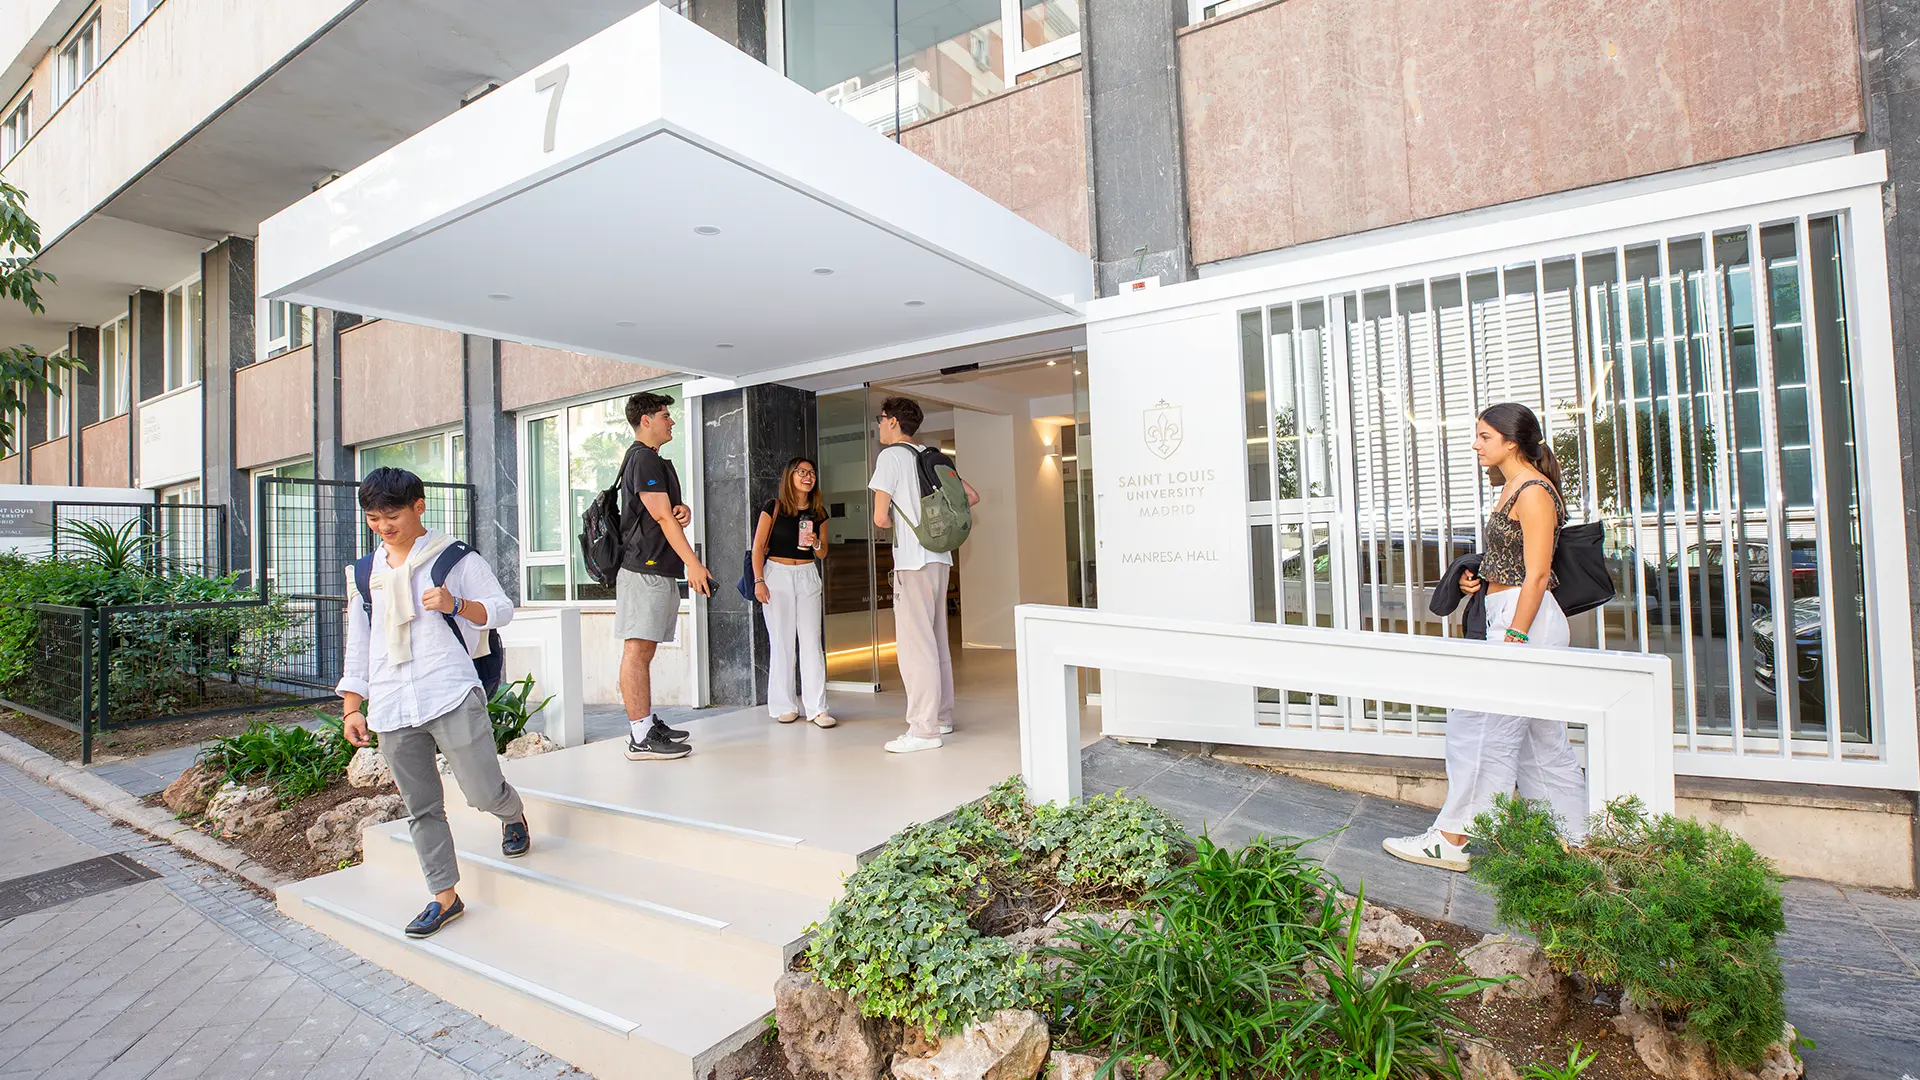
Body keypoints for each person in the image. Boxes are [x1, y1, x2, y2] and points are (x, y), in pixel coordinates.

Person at [1384, 402, 1589, 871]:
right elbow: (1515, 564)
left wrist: (1514, 636)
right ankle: (1573, 840)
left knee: (1477, 729)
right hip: (1512, 612)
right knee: (1541, 740)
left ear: (1511, 442)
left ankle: (1451, 839)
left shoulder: (1534, 492)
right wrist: (1480, 580)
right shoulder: (1513, 487)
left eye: (1483, 436)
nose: (1475, 444)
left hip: (1525, 623)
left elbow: (1538, 575)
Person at [338, 467, 524, 939]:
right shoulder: (365, 573)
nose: (383, 526)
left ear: (419, 506)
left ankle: (511, 813)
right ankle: (445, 896)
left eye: (392, 515)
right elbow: (359, 642)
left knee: (481, 791)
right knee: (421, 806)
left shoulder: (454, 559)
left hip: (449, 690)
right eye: (373, 517)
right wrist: (352, 706)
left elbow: (502, 610)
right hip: (392, 702)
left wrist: (455, 604)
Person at [869, 396, 979, 754]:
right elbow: (972, 497)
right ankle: (942, 717)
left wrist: (900, 521)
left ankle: (923, 729)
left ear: (893, 422)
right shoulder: (931, 455)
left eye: (882, 419)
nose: (879, 425)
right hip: (940, 557)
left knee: (916, 647)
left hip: (912, 561)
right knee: (935, 640)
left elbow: (880, 517)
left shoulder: (890, 457)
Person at [617, 390, 715, 762]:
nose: (671, 421)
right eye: (664, 415)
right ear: (646, 421)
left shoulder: (652, 461)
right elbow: (659, 517)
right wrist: (693, 562)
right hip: (645, 570)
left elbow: (663, 513)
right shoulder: (642, 459)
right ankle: (640, 735)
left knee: (644, 650)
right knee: (637, 651)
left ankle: (644, 725)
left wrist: (682, 508)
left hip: (655, 569)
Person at [753, 457, 834, 728]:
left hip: (808, 574)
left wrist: (817, 542)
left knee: (811, 641)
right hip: (777, 574)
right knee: (782, 641)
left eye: (811, 473)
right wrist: (758, 580)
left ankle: (818, 708)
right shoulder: (773, 507)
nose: (808, 477)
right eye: (802, 472)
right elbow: (757, 548)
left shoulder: (818, 512)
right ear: (790, 476)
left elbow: (823, 553)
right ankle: (784, 705)